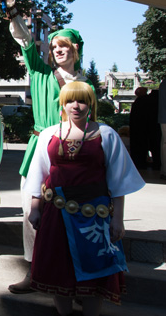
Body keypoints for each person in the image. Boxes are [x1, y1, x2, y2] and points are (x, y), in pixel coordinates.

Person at [0, 0, 92, 293]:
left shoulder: (86, 86)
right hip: (40, 150)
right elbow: (25, 39)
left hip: (75, 155)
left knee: (72, 214)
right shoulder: (40, 73)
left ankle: (75, 277)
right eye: (54, 47)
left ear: (75, 50)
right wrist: (11, 6)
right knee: (31, 212)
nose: (58, 50)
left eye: (63, 46)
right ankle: (34, 271)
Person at [25, 81, 145, 316]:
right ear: (63, 104)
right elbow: (38, 173)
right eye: (70, 101)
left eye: (81, 101)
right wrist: (35, 208)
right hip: (56, 215)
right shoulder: (49, 134)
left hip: (94, 217)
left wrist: (117, 219)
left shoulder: (106, 134)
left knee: (96, 272)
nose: (76, 106)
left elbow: (118, 181)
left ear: (90, 104)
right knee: (58, 267)